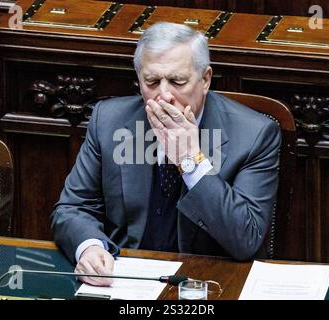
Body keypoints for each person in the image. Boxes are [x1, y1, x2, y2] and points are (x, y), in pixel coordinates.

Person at [51, 22, 281, 286]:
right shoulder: (109, 121)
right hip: (124, 280)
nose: (164, 96)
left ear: (205, 79)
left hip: (208, 284)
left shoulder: (254, 134)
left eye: (177, 81)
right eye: (152, 82)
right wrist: (90, 247)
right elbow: (71, 208)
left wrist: (191, 161)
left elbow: (246, 239)